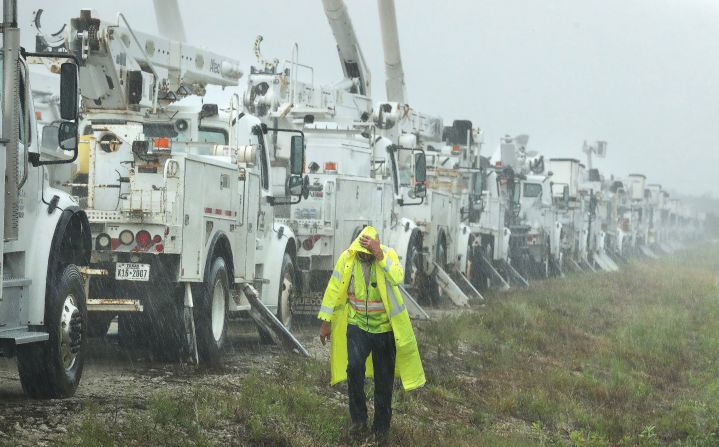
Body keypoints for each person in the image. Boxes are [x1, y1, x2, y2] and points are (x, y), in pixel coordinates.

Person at [318, 226, 425, 445]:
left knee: (383, 383)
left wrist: (379, 255)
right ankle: (358, 421)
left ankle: (380, 430)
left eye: (367, 252)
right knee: (354, 368)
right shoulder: (348, 259)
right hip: (358, 327)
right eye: (361, 251)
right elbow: (333, 288)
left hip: (384, 331)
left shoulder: (387, 255)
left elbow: (397, 277)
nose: (363, 255)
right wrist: (325, 322)